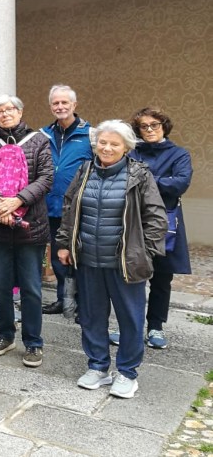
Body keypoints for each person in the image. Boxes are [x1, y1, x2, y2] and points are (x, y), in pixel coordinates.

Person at [56, 120, 166, 398]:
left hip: (125, 263)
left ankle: (127, 373)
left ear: (126, 147)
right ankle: (98, 367)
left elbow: (156, 218)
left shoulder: (139, 175)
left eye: (114, 144)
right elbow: (69, 207)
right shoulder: (85, 170)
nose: (107, 148)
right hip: (88, 259)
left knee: (130, 319)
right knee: (91, 317)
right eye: (102, 142)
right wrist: (65, 243)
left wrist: (145, 252)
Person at [0, 95, 53, 368]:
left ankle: (33, 341)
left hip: (30, 226)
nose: (5, 114)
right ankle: (5, 335)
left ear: (20, 112)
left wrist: (18, 200)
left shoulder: (39, 141)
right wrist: (0, 203)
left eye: (10, 109)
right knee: (1, 284)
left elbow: (46, 178)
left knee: (31, 287)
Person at [124, 107, 193, 349]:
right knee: (131, 276)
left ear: (164, 126)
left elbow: (180, 184)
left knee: (162, 278)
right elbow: (122, 179)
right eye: (144, 126)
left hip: (165, 222)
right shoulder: (132, 152)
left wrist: (145, 178)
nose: (150, 129)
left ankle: (155, 327)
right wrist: (161, 180)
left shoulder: (179, 154)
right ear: (138, 130)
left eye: (155, 125)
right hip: (133, 220)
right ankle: (128, 325)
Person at [40, 84, 92, 315]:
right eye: (56, 103)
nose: (60, 106)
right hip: (51, 206)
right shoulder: (43, 135)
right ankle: (63, 299)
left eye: (64, 102)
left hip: (80, 207)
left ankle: (84, 303)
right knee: (57, 256)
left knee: (81, 256)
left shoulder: (90, 134)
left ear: (74, 105)